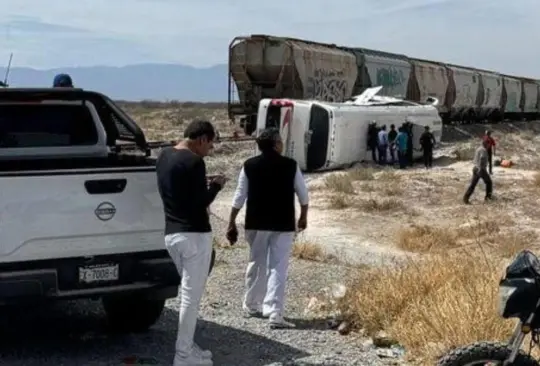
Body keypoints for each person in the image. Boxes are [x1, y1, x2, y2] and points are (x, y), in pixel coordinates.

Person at [156, 120, 227, 366]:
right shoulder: (195, 162)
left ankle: (188, 347)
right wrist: (216, 187)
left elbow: (180, 191)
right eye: (210, 145)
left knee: (188, 294)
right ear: (201, 139)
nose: (209, 150)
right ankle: (183, 355)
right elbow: (200, 202)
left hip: (172, 234)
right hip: (194, 236)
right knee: (190, 298)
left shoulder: (164, 156)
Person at [226, 127, 309, 329]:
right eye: (280, 141)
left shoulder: (249, 165)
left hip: (256, 223)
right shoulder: (290, 165)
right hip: (283, 223)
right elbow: (303, 195)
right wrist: (303, 217)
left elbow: (239, 197)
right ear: (275, 144)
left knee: (257, 262)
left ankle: (252, 304)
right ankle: (274, 312)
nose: (282, 144)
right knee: (278, 266)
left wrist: (231, 222)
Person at [463, 139, 493, 204]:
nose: (489, 146)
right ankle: (488, 198)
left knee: (473, 184)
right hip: (481, 169)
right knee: (489, 182)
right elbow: (482, 158)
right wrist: (481, 168)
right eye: (488, 144)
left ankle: (465, 198)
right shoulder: (483, 150)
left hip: (475, 168)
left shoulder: (478, 149)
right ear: (486, 144)